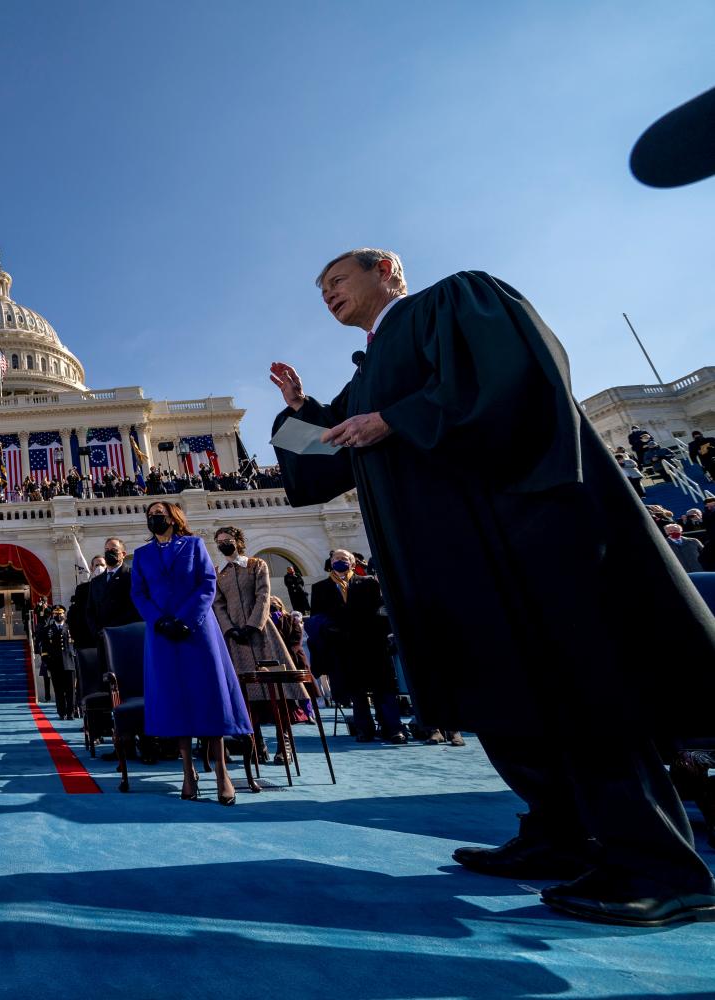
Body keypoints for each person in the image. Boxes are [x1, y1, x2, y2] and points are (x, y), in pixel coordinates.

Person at [270, 247, 715, 926]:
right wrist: (302, 411)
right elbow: (322, 466)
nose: (327, 293)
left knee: (579, 691)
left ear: (385, 268)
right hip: (450, 559)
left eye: (337, 279)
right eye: (320, 288)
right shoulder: (369, 375)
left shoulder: (455, 300)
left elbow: (517, 381)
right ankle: (560, 834)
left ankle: (659, 865)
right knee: (503, 692)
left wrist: (395, 419)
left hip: (521, 537)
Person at [128, 501, 251, 804]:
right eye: (151, 515)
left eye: (160, 514)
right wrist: (160, 620)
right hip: (162, 635)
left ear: (174, 518)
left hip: (197, 631)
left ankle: (222, 772)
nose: (155, 518)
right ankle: (187, 771)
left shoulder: (194, 545)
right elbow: (138, 593)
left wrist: (186, 619)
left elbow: (207, 583)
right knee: (175, 698)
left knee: (209, 696)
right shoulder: (142, 555)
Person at [211, 525, 301, 761]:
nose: (223, 544)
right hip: (236, 639)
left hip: (261, 634)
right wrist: (230, 628)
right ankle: (256, 743)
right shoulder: (219, 573)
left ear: (238, 541)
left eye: (227, 539)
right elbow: (218, 604)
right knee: (245, 693)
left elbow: (263, 595)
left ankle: (285, 744)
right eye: (219, 541)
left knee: (277, 690)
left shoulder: (256, 565)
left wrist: (253, 625)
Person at [307, 548, 404, 743]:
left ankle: (392, 728)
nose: (339, 561)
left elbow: (380, 610)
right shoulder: (320, 587)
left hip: (371, 644)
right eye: (336, 558)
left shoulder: (368, 582)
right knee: (356, 691)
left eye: (344, 559)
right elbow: (317, 616)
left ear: (352, 563)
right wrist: (330, 631)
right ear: (330, 562)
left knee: (383, 688)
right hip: (343, 647)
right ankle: (364, 729)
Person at [86, 536, 141, 642]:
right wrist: (97, 632)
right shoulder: (96, 582)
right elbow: (90, 611)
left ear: (123, 554)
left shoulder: (132, 576)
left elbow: (136, 607)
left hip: (126, 635)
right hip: (102, 638)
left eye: (114, 550)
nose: (109, 552)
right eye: (107, 550)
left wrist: (116, 629)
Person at [35, 604, 77, 719]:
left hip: (69, 663)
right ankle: (61, 712)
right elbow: (44, 648)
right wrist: (47, 663)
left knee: (70, 690)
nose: (58, 616)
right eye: (56, 614)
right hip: (55, 664)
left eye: (60, 614)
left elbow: (75, 646)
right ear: (53, 615)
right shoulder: (47, 630)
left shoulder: (70, 628)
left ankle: (70, 712)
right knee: (58, 690)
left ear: (64, 614)